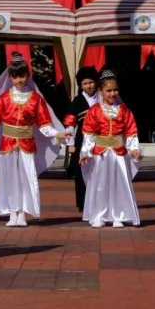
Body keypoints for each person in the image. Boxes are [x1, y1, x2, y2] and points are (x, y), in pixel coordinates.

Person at [0, 52, 69, 227]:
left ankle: (22, 213)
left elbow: (44, 124)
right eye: (15, 76)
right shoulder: (4, 98)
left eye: (22, 75)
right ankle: (12, 213)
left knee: (26, 178)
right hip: (7, 144)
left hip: (27, 145)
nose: (20, 80)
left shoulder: (36, 99)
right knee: (8, 178)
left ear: (28, 75)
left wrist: (57, 134)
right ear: (10, 77)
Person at [80, 69, 142, 228]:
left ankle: (118, 215)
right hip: (100, 154)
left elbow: (131, 132)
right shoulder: (94, 111)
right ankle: (99, 215)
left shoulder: (124, 110)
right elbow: (88, 134)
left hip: (118, 154)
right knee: (100, 185)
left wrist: (134, 149)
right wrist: (86, 152)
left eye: (115, 90)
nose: (112, 93)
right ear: (100, 91)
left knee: (118, 184)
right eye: (108, 90)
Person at [63, 67, 101, 212]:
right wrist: (70, 144)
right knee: (81, 172)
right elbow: (70, 123)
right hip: (82, 141)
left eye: (91, 82)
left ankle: (99, 201)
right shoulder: (77, 101)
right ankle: (83, 203)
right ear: (80, 85)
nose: (88, 86)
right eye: (85, 83)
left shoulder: (102, 97)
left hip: (100, 140)